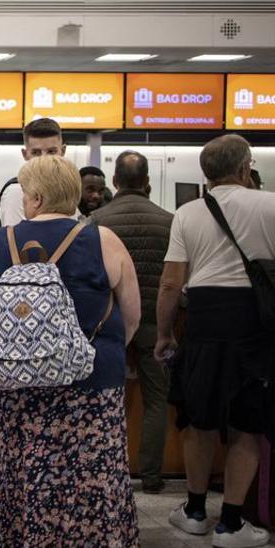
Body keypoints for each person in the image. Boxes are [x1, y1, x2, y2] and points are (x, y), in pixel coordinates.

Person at [0, 154, 141, 545]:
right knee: (94, 480)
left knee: (27, 479)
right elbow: (131, 317)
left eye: (27, 193)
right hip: (92, 389)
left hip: (19, 389)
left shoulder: (1, 242)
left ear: (38, 198)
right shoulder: (103, 239)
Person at [156, 135, 273, 547]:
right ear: (245, 168)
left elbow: (171, 284)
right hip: (253, 326)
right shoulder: (270, 204)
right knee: (246, 425)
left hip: (203, 322)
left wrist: (166, 334)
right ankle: (232, 524)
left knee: (198, 419)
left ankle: (193, 511)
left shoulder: (188, 213)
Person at [87, 150, 174, 494]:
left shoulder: (96, 222)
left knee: (106, 399)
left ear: (115, 182)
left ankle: (110, 473)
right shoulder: (169, 220)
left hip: (110, 325)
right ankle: (151, 476)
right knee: (156, 401)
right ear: (148, 182)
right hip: (154, 323)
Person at [0, 118, 67, 229]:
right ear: (25, 154)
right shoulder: (17, 192)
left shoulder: (66, 189)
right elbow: (14, 241)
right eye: (36, 152)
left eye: (51, 152)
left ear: (63, 151)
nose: (44, 158)